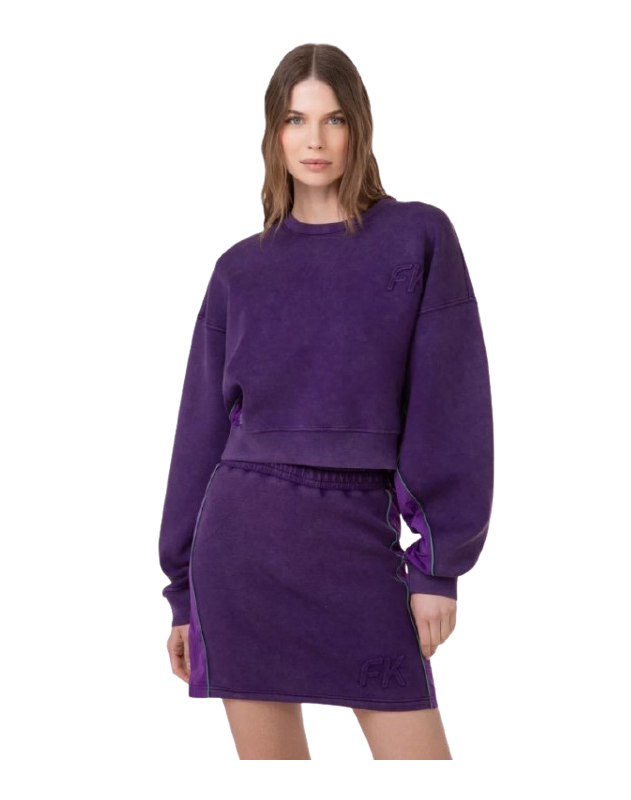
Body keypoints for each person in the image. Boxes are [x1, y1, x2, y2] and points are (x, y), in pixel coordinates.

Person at [157, 42, 495, 760]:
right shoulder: (238, 269)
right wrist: (181, 593)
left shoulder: (419, 236)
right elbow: (199, 435)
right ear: (274, 135)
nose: (315, 140)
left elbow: (452, 405)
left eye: (333, 119)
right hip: (242, 549)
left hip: (358, 540)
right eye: (296, 119)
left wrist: (437, 566)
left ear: (359, 128)